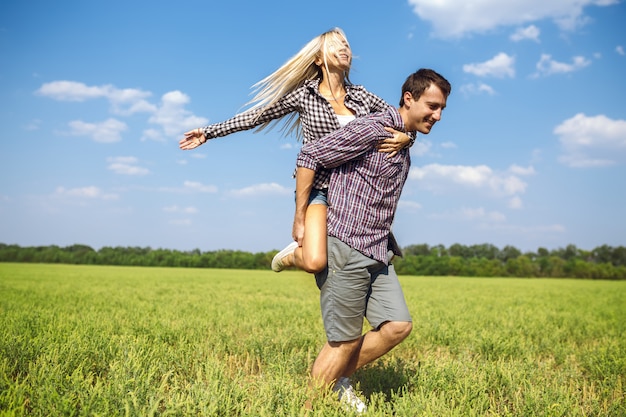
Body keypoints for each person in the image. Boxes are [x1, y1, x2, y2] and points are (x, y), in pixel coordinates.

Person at [178, 28, 411, 274]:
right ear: (318, 60)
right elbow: (257, 116)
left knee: (368, 258)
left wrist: (407, 137)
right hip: (321, 187)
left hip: (358, 191)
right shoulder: (304, 96)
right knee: (314, 262)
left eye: (347, 45)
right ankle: (292, 255)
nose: (344, 49)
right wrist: (209, 132)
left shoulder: (363, 96)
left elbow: (405, 118)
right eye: (335, 45)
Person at [295, 68, 451, 412]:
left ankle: (335, 381)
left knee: (397, 326)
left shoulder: (402, 134)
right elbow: (310, 156)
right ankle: (307, 405)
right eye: (432, 106)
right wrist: (301, 219)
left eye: (442, 109)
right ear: (409, 98)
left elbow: (406, 126)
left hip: (378, 250)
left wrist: (409, 137)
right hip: (346, 245)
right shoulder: (374, 127)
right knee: (343, 342)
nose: (437, 115)